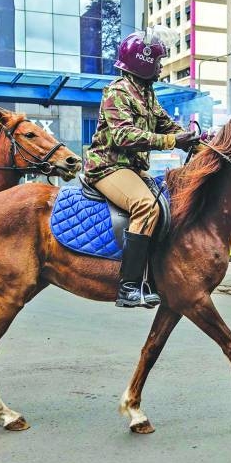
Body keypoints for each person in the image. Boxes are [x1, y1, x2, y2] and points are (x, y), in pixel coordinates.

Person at [85, 26, 200, 308]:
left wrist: (198, 140)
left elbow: (167, 125)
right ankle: (128, 286)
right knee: (145, 205)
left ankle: (152, 277)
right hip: (108, 167)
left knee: (170, 202)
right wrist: (174, 140)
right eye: (158, 61)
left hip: (133, 169)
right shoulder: (117, 92)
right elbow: (124, 136)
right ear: (144, 62)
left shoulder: (147, 94)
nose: (161, 67)